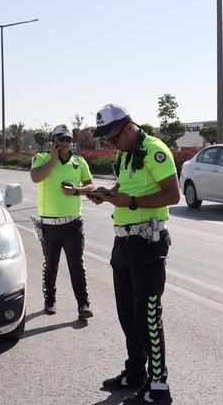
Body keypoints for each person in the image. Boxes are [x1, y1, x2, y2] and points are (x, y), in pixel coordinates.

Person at [87, 104, 180, 405]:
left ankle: (159, 386)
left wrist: (132, 202)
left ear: (128, 127)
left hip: (148, 244)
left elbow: (172, 194)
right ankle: (136, 373)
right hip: (123, 244)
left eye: (112, 137)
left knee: (147, 316)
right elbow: (125, 191)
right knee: (128, 315)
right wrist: (107, 195)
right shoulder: (126, 153)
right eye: (106, 140)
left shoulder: (154, 150)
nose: (109, 144)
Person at [29, 124, 96, 321]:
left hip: (73, 223)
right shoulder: (41, 158)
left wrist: (76, 190)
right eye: (61, 139)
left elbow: (90, 185)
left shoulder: (79, 161)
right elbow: (35, 177)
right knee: (51, 265)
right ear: (54, 141)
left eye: (68, 139)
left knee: (76, 264)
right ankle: (50, 300)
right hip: (49, 225)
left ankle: (83, 305)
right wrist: (53, 159)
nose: (65, 143)